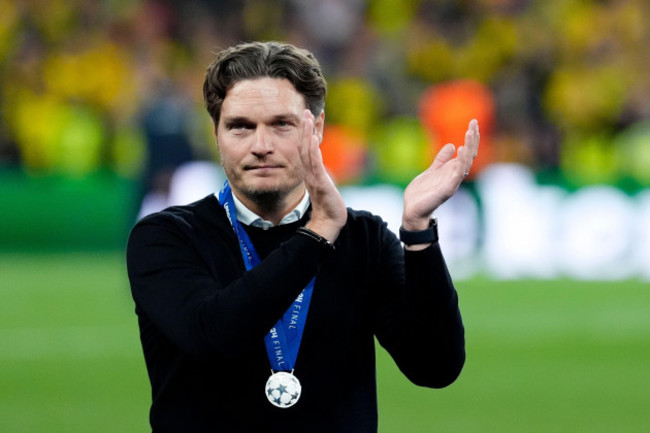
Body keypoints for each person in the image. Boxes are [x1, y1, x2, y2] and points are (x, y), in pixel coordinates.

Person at [126, 40, 479, 433]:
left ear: (318, 128)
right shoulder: (166, 237)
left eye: (281, 124)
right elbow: (213, 336)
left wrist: (418, 234)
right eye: (240, 126)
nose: (261, 146)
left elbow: (435, 366)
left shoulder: (363, 239)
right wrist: (318, 233)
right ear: (216, 134)